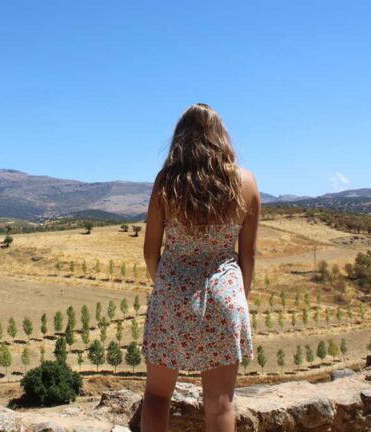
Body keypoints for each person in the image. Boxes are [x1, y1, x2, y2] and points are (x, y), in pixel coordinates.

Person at [141, 103, 259, 431]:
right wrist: (240, 298)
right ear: (221, 136)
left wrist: (165, 284)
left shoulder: (167, 182)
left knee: (157, 395)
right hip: (226, 292)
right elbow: (247, 255)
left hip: (172, 290)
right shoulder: (246, 182)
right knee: (220, 403)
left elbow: (151, 251)